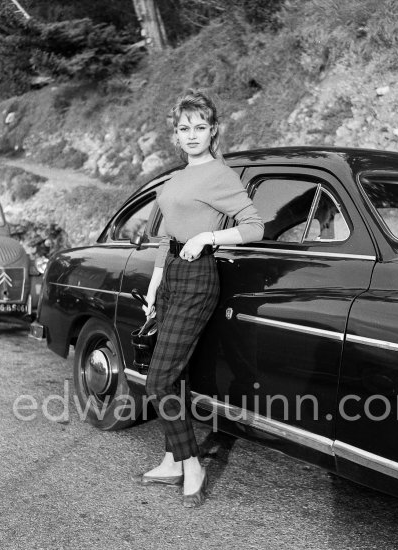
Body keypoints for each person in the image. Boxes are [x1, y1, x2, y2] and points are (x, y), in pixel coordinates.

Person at [132, 89, 264, 508]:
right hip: (171, 274)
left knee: (159, 379)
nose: (192, 135)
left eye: (200, 128)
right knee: (177, 377)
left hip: (198, 276)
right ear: (175, 134)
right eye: (184, 128)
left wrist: (208, 235)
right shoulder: (177, 176)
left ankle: (192, 464)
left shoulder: (220, 175)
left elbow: (254, 225)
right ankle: (172, 458)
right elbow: (168, 235)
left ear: (213, 131)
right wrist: (155, 283)